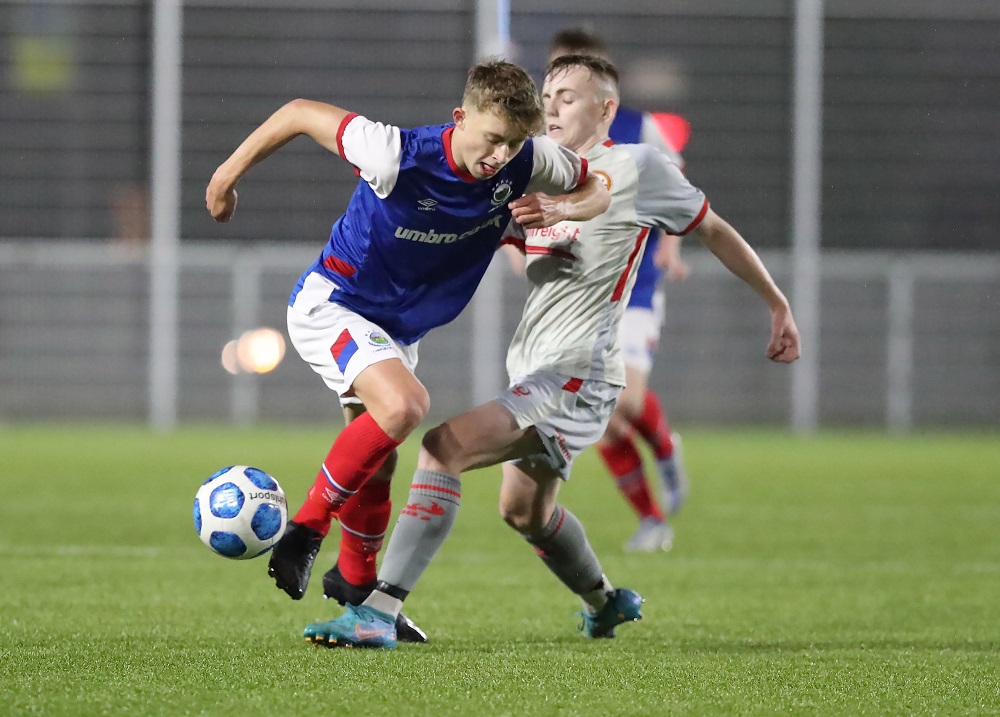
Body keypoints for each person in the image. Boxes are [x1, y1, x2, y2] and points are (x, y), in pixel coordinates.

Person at [300, 54, 800, 649]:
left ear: (606, 109)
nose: (553, 105)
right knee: (525, 512)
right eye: (548, 94)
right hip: (540, 372)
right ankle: (607, 601)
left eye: (569, 95)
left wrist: (777, 304)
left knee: (442, 447)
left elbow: (713, 227)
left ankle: (377, 612)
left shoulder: (636, 166)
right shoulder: (529, 168)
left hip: (576, 375)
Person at [205, 59, 611, 642]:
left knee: (378, 455)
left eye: (514, 142)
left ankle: (355, 584)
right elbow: (297, 113)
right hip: (336, 305)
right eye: (491, 138)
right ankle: (305, 529)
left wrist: (559, 210)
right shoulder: (394, 152)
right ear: (460, 117)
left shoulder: (527, 158)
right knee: (404, 407)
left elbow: (596, 186)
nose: (500, 155)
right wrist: (225, 177)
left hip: (396, 331)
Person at [550, 28, 692, 552]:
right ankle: (652, 520)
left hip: (633, 286)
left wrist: (671, 248)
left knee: (626, 400)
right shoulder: (546, 136)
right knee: (605, 422)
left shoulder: (640, 127)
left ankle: (664, 446)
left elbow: (676, 189)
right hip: (578, 295)